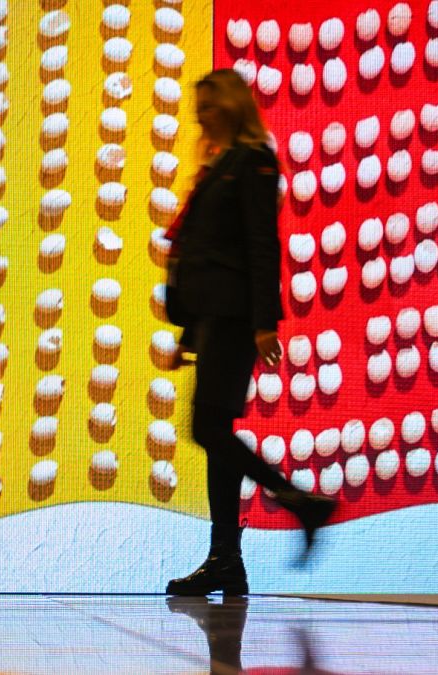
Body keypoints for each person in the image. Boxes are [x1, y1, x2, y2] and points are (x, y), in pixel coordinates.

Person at [164, 69, 336, 597]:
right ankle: (225, 562)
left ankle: (299, 502)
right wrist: (188, 332)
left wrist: (266, 323)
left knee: (208, 431)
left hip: (237, 316)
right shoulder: (219, 166)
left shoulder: (254, 162)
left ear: (234, 107)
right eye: (198, 110)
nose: (201, 117)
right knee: (215, 435)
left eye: (209, 107)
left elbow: (261, 244)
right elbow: (203, 250)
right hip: (214, 317)